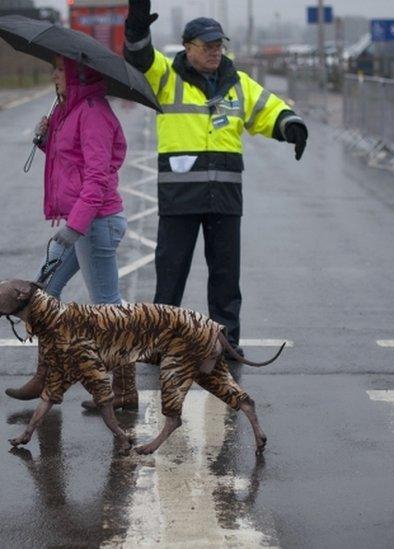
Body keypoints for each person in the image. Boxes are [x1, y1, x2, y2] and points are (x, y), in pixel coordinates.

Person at [123, 0, 308, 359]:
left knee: (225, 279)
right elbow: (139, 58)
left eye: (218, 45)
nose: (214, 52)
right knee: (171, 274)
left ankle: (226, 343)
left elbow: (267, 109)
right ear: (187, 47)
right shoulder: (167, 75)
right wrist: (136, 28)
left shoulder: (236, 82)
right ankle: (161, 342)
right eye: (206, 46)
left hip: (224, 195)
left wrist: (291, 125)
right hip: (180, 196)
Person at [4, 55, 136, 411]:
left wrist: (75, 227)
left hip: (95, 223)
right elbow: (70, 162)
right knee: (42, 295)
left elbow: (96, 178)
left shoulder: (92, 112)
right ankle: (46, 377)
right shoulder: (72, 110)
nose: (54, 75)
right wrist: (45, 139)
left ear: (77, 74)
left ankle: (123, 390)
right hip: (82, 222)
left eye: (59, 70)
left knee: (107, 308)